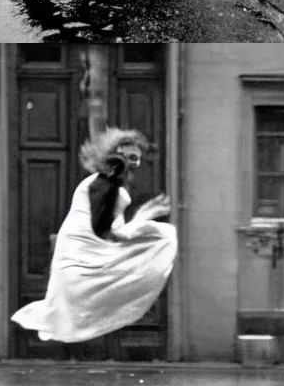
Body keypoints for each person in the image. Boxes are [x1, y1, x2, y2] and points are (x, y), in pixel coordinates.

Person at [11, 128, 176, 344]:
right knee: (164, 236)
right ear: (114, 156)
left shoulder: (107, 184)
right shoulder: (103, 184)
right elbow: (105, 230)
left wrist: (142, 219)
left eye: (135, 159)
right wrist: (145, 219)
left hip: (79, 255)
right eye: (128, 157)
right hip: (81, 257)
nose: (132, 164)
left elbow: (112, 228)